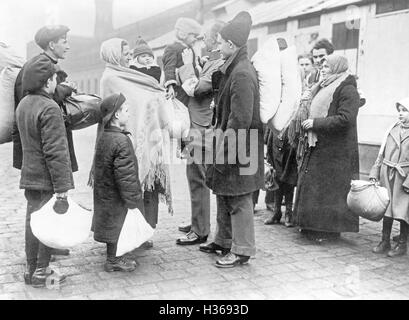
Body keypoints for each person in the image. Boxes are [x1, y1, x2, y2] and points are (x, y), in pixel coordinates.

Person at [96, 38, 174, 249]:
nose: (129, 55)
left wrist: (156, 95)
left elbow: (143, 94)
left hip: (143, 141)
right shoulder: (110, 78)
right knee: (125, 189)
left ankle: (142, 232)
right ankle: (122, 238)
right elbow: (117, 108)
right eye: (125, 52)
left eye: (130, 51)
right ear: (114, 54)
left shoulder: (131, 74)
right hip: (123, 142)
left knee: (145, 190)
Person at [201, 12, 264, 267]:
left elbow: (240, 121)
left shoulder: (241, 73)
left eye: (220, 42)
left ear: (231, 45)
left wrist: (225, 152)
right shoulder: (234, 68)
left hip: (240, 146)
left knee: (239, 198)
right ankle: (223, 241)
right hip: (232, 142)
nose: (217, 46)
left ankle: (242, 250)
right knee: (224, 194)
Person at [13, 26, 77, 258]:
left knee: (44, 206)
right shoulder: (36, 68)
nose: (68, 45)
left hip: (49, 143)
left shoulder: (48, 67)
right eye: (64, 41)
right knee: (41, 207)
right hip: (40, 151)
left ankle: (47, 248)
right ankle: (38, 261)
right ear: (52, 44)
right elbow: (33, 102)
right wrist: (64, 90)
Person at [16, 57, 73, 287]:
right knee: (47, 225)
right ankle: (42, 272)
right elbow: (56, 152)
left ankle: (31, 270)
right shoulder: (49, 107)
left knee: (33, 222)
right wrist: (62, 190)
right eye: (54, 79)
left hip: (29, 177)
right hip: (46, 179)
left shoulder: (24, 104)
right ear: (48, 81)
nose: (55, 83)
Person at [293, 54, 360, 242]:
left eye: (327, 67)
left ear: (337, 68)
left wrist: (316, 123)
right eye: (322, 66)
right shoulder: (325, 86)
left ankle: (326, 231)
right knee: (317, 188)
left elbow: (346, 119)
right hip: (322, 145)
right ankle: (312, 227)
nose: (323, 69)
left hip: (336, 151)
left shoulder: (347, 89)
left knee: (328, 192)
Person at [175, 21, 226, 245]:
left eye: (205, 37)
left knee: (197, 178)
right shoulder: (212, 60)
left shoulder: (217, 62)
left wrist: (188, 65)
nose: (201, 41)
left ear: (215, 39)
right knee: (195, 176)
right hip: (201, 125)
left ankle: (200, 229)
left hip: (201, 127)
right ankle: (198, 221)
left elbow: (196, 89)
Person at [92, 93, 145, 272]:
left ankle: (114, 256)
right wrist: (133, 200)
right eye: (126, 110)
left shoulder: (105, 136)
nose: (129, 114)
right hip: (116, 195)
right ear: (116, 115)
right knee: (118, 225)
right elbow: (126, 175)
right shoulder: (121, 140)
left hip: (105, 192)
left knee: (112, 225)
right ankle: (113, 260)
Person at [370, 97, 409, 257]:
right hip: (388, 174)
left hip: (403, 177)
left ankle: (402, 244)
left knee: (403, 212)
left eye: (404, 110)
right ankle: (384, 241)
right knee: (387, 209)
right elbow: (381, 153)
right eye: (399, 111)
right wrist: (375, 172)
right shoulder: (392, 129)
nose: (400, 114)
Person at [162, 17, 202, 105]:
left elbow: (194, 62)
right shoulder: (172, 48)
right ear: (183, 34)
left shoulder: (190, 48)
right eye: (194, 36)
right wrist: (170, 86)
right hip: (180, 88)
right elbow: (169, 68)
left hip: (192, 83)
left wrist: (201, 61)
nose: (196, 39)